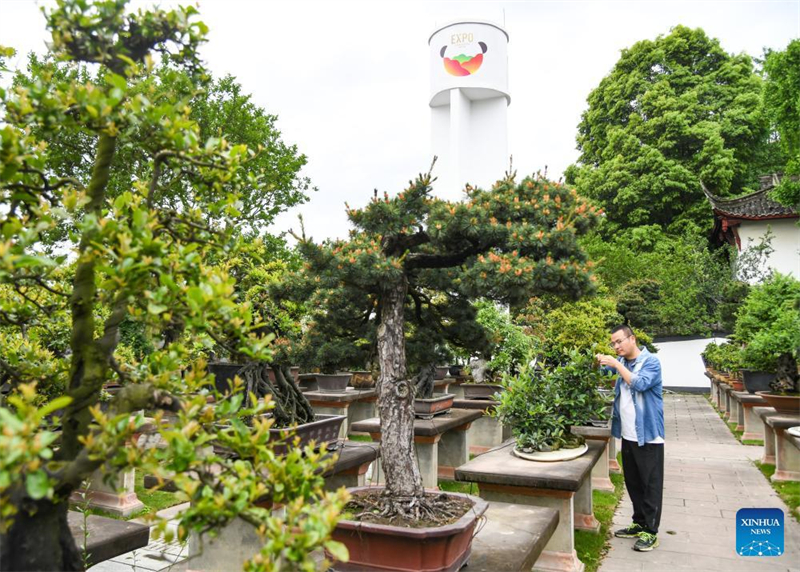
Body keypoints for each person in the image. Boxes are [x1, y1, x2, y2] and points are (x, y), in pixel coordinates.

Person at [595, 324, 664, 552]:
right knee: (633, 482)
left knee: (650, 484)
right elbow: (605, 372)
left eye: (619, 342)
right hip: (627, 434)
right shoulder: (622, 363)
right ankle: (639, 523)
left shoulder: (651, 362)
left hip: (648, 436)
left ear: (632, 339)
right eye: (613, 344)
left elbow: (640, 383)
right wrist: (599, 362)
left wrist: (615, 363)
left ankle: (651, 532)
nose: (616, 346)